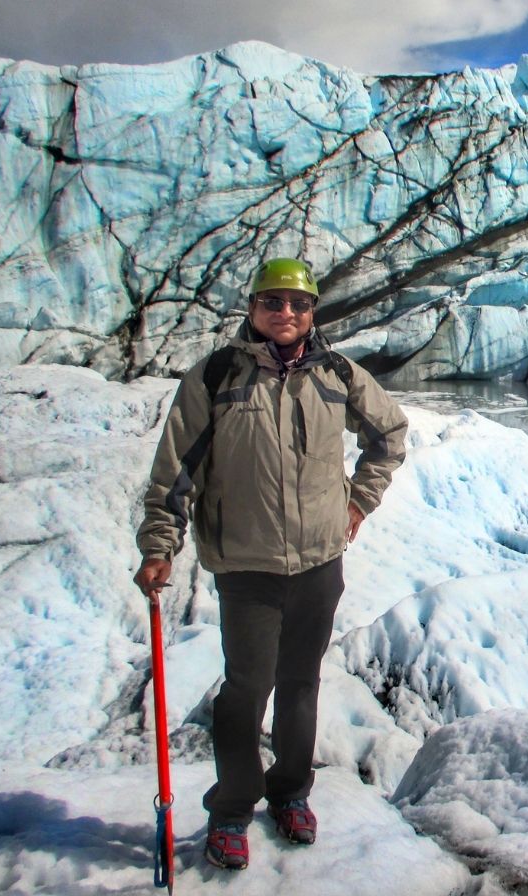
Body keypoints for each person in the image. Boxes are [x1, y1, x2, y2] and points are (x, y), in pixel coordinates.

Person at [133, 257, 408, 871]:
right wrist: (160, 544)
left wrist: (357, 501)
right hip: (247, 565)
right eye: (273, 302)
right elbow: (175, 471)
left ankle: (290, 793)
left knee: (302, 685)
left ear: (313, 313)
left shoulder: (336, 373)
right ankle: (231, 808)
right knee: (246, 689)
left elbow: (389, 435)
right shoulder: (216, 376)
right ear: (252, 309)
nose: (286, 314)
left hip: (317, 562)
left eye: (299, 304)